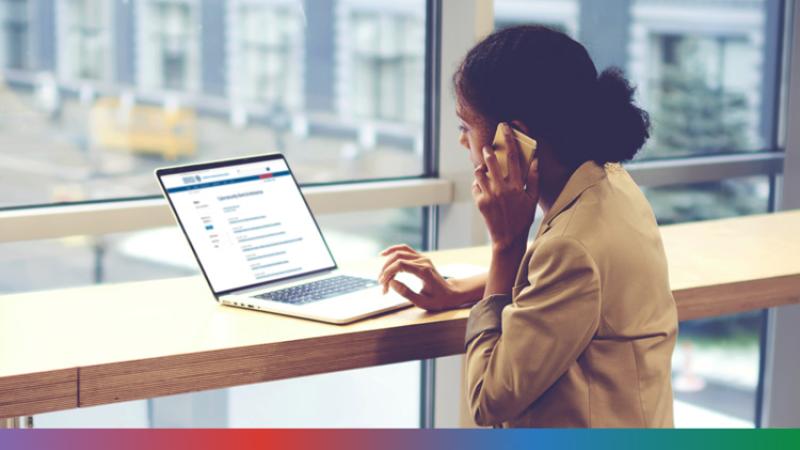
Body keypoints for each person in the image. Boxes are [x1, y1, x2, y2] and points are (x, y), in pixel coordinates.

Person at [377, 25, 678, 428]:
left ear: (515, 138)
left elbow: (487, 399)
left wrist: (507, 244)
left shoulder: (572, 246)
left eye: (466, 126)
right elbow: (565, 287)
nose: (463, 143)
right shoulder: (611, 183)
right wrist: (459, 291)